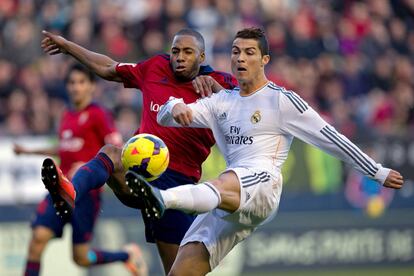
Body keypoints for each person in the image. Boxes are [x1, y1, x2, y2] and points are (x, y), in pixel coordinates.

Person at [126, 27, 405, 275]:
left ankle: (161, 198)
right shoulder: (221, 101)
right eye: (235, 52)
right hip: (230, 201)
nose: (240, 58)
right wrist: (173, 105)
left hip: (262, 185)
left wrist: (377, 171)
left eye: (249, 52)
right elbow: (169, 116)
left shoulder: (281, 100)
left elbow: (331, 138)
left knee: (224, 181)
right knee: (180, 271)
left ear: (264, 60)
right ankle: (163, 199)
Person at [40, 28, 237, 273]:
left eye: (188, 52)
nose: (180, 57)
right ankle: (70, 191)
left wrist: (218, 89)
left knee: (177, 271)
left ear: (202, 57)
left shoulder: (223, 83)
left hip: (177, 186)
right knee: (112, 152)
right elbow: (108, 68)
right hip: (139, 171)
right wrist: (68, 46)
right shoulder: (155, 67)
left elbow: (249, 112)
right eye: (175, 51)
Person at [14, 64, 147, 276]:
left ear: (91, 87)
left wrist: (87, 164)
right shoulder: (66, 114)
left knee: (81, 258)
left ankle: (127, 255)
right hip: (60, 190)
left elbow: (116, 151)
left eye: (81, 82)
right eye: (72, 82)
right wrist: (29, 152)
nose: (76, 87)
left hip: (86, 195)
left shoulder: (98, 114)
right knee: (37, 238)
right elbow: (64, 147)